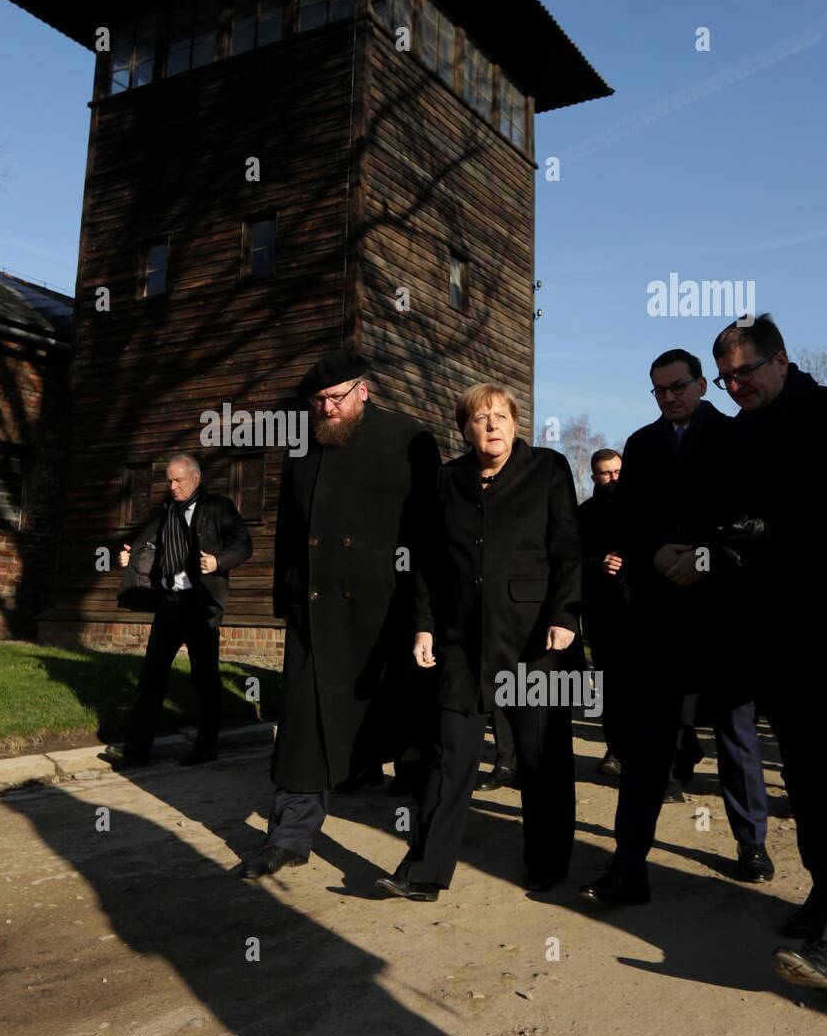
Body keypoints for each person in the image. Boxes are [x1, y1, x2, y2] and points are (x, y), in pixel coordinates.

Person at [716, 315, 827, 999]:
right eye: (727, 377)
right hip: (773, 642)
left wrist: (784, 534)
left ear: (781, 360)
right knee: (806, 781)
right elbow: (725, 523)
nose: (736, 387)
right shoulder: (738, 438)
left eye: (746, 372)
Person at [580, 348, 774, 906]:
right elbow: (628, 522)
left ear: (701, 385)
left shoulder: (738, 437)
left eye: (678, 386)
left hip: (723, 614)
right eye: (659, 390)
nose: (669, 397)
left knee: (736, 733)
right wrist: (656, 555)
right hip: (660, 615)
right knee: (646, 744)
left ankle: (750, 841)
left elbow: (751, 521)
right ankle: (628, 865)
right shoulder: (641, 446)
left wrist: (708, 556)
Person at [375, 382, 583, 901]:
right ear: (464, 428)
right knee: (449, 756)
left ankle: (547, 862)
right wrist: (423, 625)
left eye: (500, 416)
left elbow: (568, 549)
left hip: (534, 638)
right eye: (479, 417)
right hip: (459, 640)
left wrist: (565, 614)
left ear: (516, 423)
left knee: (541, 757)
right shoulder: (448, 480)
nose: (491, 424)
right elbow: (424, 561)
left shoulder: (548, 469)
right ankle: (424, 870)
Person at [239, 351, 440, 879]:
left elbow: (428, 535)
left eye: (335, 398)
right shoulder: (303, 444)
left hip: (386, 616)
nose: (326, 408)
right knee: (304, 731)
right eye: (318, 401)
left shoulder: (409, 438)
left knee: (408, 735)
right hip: (315, 611)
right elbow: (288, 527)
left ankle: (425, 852)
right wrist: (286, 597)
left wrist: (426, 613)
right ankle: (288, 838)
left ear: (364, 391)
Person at [99, 453, 251, 768]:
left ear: (196, 478)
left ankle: (206, 745)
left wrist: (218, 561)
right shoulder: (167, 511)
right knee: (152, 676)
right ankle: (137, 750)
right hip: (169, 605)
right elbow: (148, 547)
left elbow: (244, 544)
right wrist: (131, 558)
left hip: (200, 606)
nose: (172, 486)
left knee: (204, 678)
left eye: (178, 480)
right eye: (169, 480)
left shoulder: (217, 508)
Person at [577, 447, 629, 775]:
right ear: (593, 476)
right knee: (609, 688)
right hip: (601, 613)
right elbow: (570, 561)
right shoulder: (583, 515)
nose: (612, 479)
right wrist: (598, 564)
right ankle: (615, 750)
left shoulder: (641, 507)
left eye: (617, 472)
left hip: (637, 611)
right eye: (605, 473)